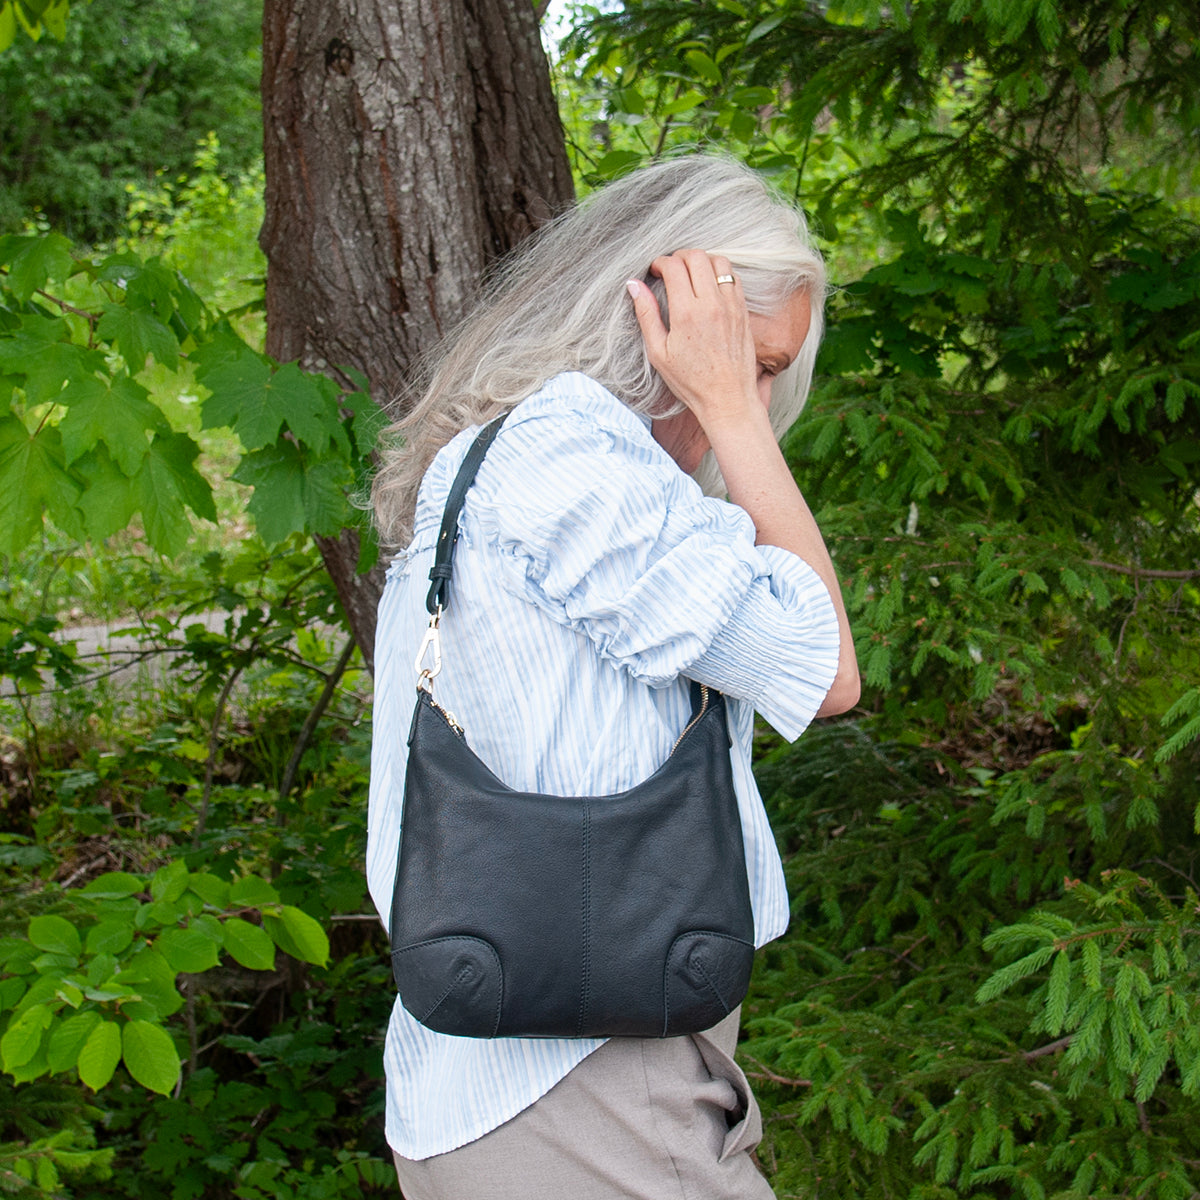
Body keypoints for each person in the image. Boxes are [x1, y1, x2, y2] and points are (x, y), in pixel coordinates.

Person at [366, 154, 860, 1200]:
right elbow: (822, 672)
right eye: (756, 363)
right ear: (664, 329)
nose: (763, 401)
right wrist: (730, 410)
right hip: (585, 1083)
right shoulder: (571, 461)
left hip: (543, 1072)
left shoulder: (526, 457)